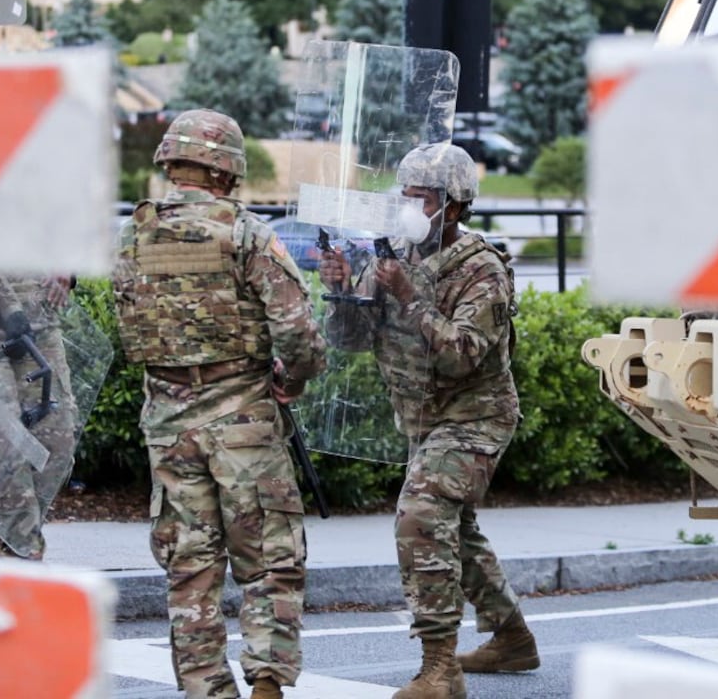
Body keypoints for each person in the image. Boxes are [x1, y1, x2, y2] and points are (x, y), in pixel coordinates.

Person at [113, 108, 327, 699]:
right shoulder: (246, 233)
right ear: (226, 170)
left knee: (190, 570)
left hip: (168, 425)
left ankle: (209, 691)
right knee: (268, 562)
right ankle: (266, 683)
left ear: (171, 162)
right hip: (243, 423)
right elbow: (298, 332)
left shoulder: (132, 234)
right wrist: (295, 378)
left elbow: (130, 323)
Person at [318, 144, 538, 699]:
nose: (409, 206)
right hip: (422, 421)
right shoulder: (390, 256)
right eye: (406, 194)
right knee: (453, 531)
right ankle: (511, 638)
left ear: (455, 207)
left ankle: (440, 669)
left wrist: (411, 297)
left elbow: (462, 354)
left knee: (420, 514)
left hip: (476, 416)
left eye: (423, 198)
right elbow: (350, 341)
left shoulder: (481, 269)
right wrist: (343, 291)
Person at [0, 274, 79, 560]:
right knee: (5, 450)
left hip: (40, 321)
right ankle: (22, 556)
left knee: (58, 445)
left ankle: (7, 550)